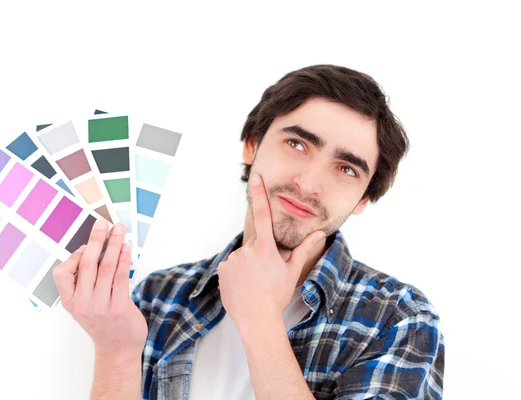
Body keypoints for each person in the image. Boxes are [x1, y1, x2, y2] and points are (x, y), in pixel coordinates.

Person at [53, 64, 445, 399]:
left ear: (362, 199)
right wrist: (116, 351)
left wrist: (260, 320)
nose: (309, 184)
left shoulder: (399, 318)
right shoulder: (159, 297)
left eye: (346, 169)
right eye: (297, 143)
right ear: (252, 145)